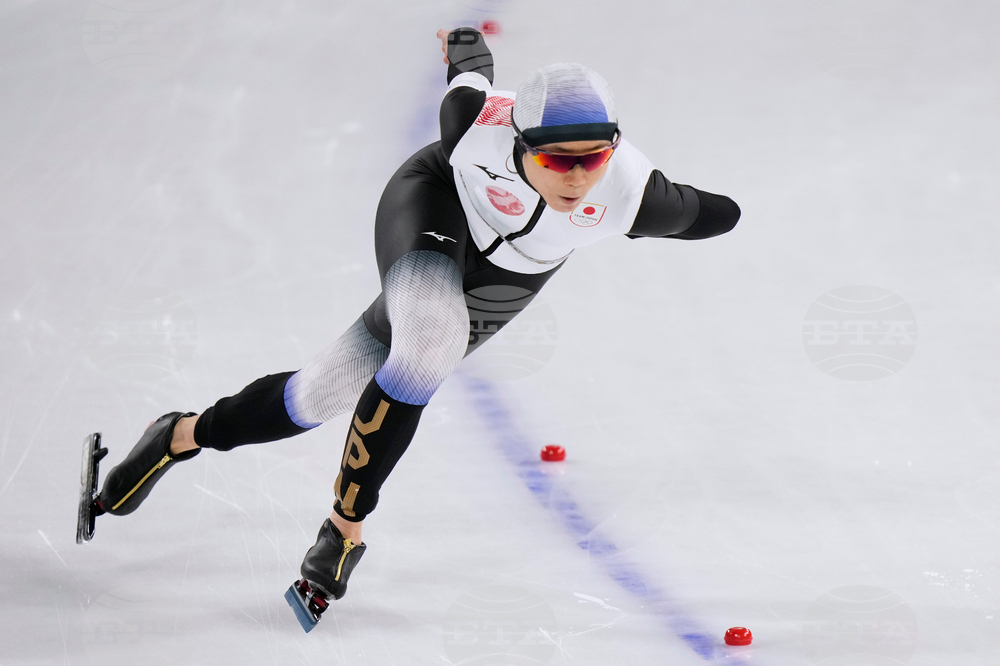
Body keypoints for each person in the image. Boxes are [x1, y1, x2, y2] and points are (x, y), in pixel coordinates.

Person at [82, 27, 740, 612]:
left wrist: (708, 208)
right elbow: (469, 74)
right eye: (554, 159)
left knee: (320, 393)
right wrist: (465, 48)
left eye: (591, 157)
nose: (574, 177)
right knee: (430, 339)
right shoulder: (474, 129)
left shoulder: (631, 193)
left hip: (509, 279)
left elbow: (719, 214)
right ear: (518, 142)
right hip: (435, 205)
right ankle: (344, 532)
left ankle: (179, 435)